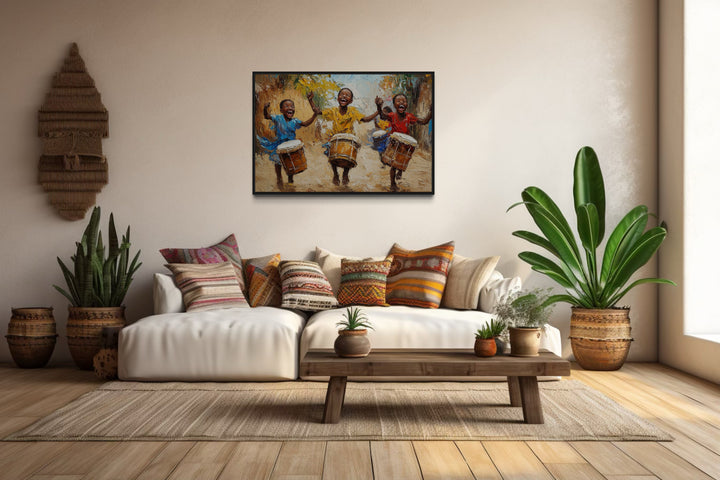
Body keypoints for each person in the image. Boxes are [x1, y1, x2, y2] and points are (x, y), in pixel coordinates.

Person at [258, 92, 320, 185]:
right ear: (281, 110)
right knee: (277, 161)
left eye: (292, 106)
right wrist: (265, 109)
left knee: (290, 161)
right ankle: (279, 178)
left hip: (291, 144)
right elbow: (267, 116)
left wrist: (314, 115)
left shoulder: (295, 121)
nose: (290, 108)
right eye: (286, 106)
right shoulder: (278, 118)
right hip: (280, 144)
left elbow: (306, 124)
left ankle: (290, 179)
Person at [321, 88, 380, 185]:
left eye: (347, 95)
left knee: (349, 156)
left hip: (348, 138)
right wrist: (310, 101)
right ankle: (335, 174)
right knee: (331, 155)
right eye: (342, 94)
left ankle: (345, 173)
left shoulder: (353, 111)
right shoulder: (332, 111)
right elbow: (318, 112)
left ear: (351, 101)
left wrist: (378, 110)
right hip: (335, 137)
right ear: (338, 98)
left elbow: (365, 119)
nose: (344, 96)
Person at [377, 93, 432, 191]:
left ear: (406, 105)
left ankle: (400, 171)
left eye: (404, 101)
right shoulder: (392, 115)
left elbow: (423, 121)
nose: (401, 103)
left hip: (405, 144)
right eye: (398, 101)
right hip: (394, 142)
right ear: (394, 105)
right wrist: (378, 106)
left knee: (402, 162)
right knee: (394, 165)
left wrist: (431, 112)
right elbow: (382, 116)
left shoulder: (409, 116)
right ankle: (393, 183)